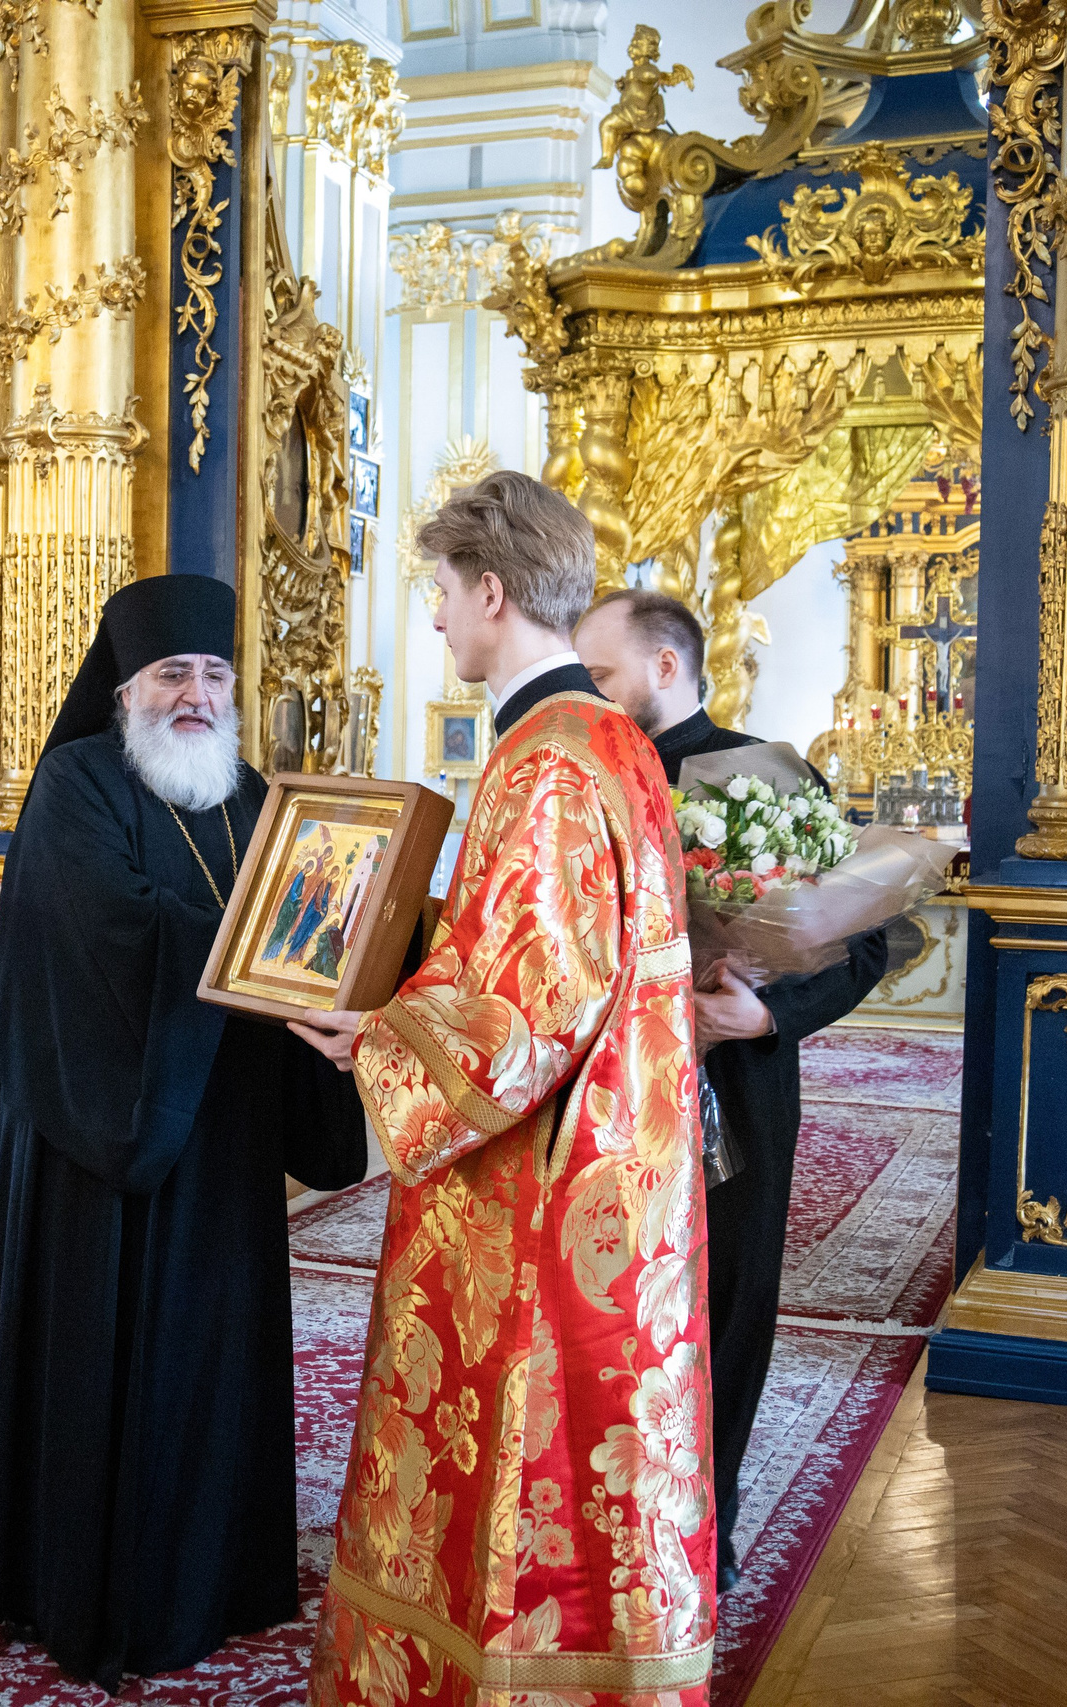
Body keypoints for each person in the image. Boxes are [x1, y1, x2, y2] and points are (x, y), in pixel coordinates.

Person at [299, 473, 714, 1706]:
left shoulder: (545, 761)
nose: (432, 621)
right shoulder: (611, 738)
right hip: (616, 1162)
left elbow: (526, 1016)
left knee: (531, 1447)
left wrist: (375, 1031)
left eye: (436, 593)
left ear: (490, 591)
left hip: (547, 1194)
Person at [0, 575, 368, 1691]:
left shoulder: (260, 799)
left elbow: (318, 924)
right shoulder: (76, 784)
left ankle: (218, 1568)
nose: (199, 694)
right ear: (126, 691)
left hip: (220, 1138)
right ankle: (82, 1579)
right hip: (96, 1140)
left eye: (214, 674)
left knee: (209, 1354)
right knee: (99, 1358)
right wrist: (262, 951)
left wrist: (341, 944)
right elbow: (100, 934)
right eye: (174, 674)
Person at [575, 586, 891, 1595]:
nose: (586, 693)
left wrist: (764, 1017)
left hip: (740, 1096)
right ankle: (604, 1510)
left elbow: (860, 938)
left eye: (601, 675)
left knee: (725, 1302)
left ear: (664, 669)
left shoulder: (767, 774)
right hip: (608, 1095)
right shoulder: (583, 779)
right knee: (611, 1301)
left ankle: (709, 1514)